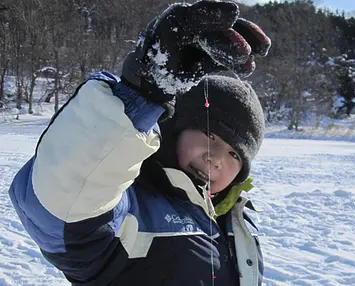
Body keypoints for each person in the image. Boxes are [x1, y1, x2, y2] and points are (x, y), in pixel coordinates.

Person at [8, 1, 271, 285]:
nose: (216, 158)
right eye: (210, 135)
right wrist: (141, 96)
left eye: (235, 153)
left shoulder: (237, 223)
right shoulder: (128, 208)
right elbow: (65, 195)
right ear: (174, 133)